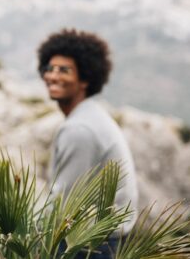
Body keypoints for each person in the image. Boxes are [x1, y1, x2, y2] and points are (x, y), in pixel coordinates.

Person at [38, 29, 138, 258]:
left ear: (84, 78)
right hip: (107, 238)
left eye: (64, 70)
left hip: (91, 244)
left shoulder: (80, 129)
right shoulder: (90, 116)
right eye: (49, 68)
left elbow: (64, 202)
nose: (53, 76)